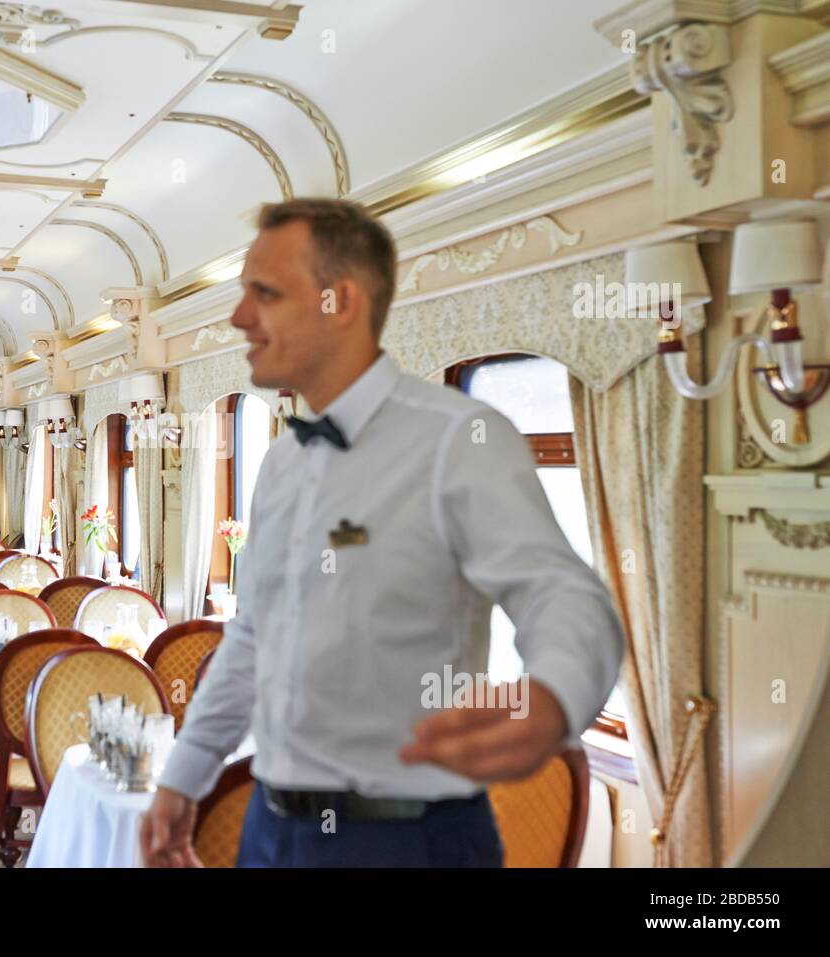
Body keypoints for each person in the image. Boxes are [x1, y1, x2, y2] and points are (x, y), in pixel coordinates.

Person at [140, 199, 624, 867]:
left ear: (341, 301)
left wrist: (550, 697)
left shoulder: (457, 439)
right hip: (269, 828)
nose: (238, 317)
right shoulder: (281, 461)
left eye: (265, 293)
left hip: (406, 840)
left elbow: (565, 594)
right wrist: (182, 777)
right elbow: (252, 637)